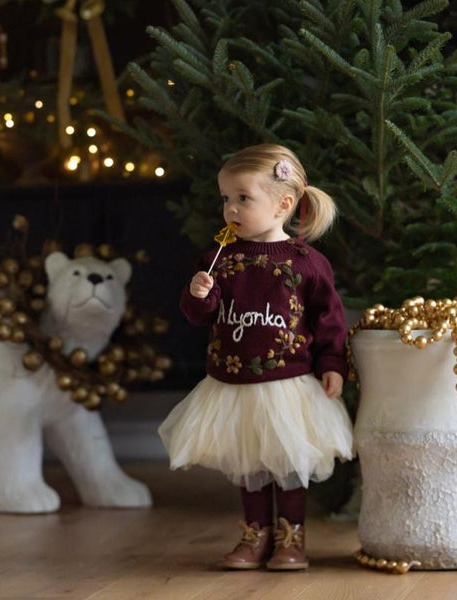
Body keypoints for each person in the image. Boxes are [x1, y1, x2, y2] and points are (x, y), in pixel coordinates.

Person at [158, 143, 353, 570]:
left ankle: (291, 536)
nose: (230, 209)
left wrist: (333, 364)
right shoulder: (220, 259)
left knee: (286, 462)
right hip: (234, 384)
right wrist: (200, 296)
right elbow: (200, 316)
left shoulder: (306, 262)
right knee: (250, 463)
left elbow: (328, 320)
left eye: (243, 198)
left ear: (284, 204)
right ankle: (255, 533)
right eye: (225, 198)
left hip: (287, 384)